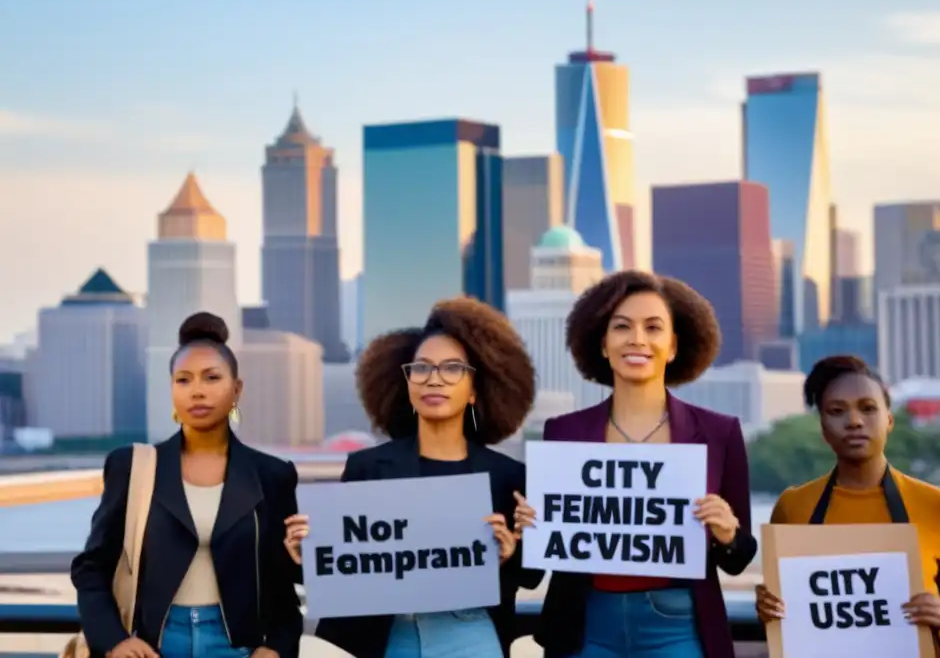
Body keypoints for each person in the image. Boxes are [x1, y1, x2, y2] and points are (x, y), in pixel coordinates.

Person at [516, 270, 759, 658]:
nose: (637, 339)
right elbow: (537, 566)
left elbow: (740, 558)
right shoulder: (564, 431)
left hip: (678, 625)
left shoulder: (719, 433)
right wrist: (527, 531)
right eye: (622, 327)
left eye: (653, 327)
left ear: (675, 346)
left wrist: (729, 534)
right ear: (602, 343)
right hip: (585, 625)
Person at [284, 297, 544, 658]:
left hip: (472, 633)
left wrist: (511, 553)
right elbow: (343, 570)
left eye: (452, 369)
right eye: (421, 368)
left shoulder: (507, 475)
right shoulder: (367, 468)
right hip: (394, 635)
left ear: (474, 391)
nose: (433, 379)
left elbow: (530, 578)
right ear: (406, 383)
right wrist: (304, 556)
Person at [70, 312, 303, 658]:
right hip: (153, 646)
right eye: (183, 380)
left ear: (236, 389)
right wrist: (115, 640)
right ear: (172, 389)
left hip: (237, 647)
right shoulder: (132, 467)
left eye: (211, 378)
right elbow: (91, 568)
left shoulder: (272, 475)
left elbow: (283, 585)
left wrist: (277, 649)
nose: (197, 391)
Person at [755, 354, 940, 655]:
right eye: (837, 411)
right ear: (823, 428)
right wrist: (767, 607)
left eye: (868, 408)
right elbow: (786, 611)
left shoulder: (938, 506)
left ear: (889, 420)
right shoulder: (793, 506)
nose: (854, 421)